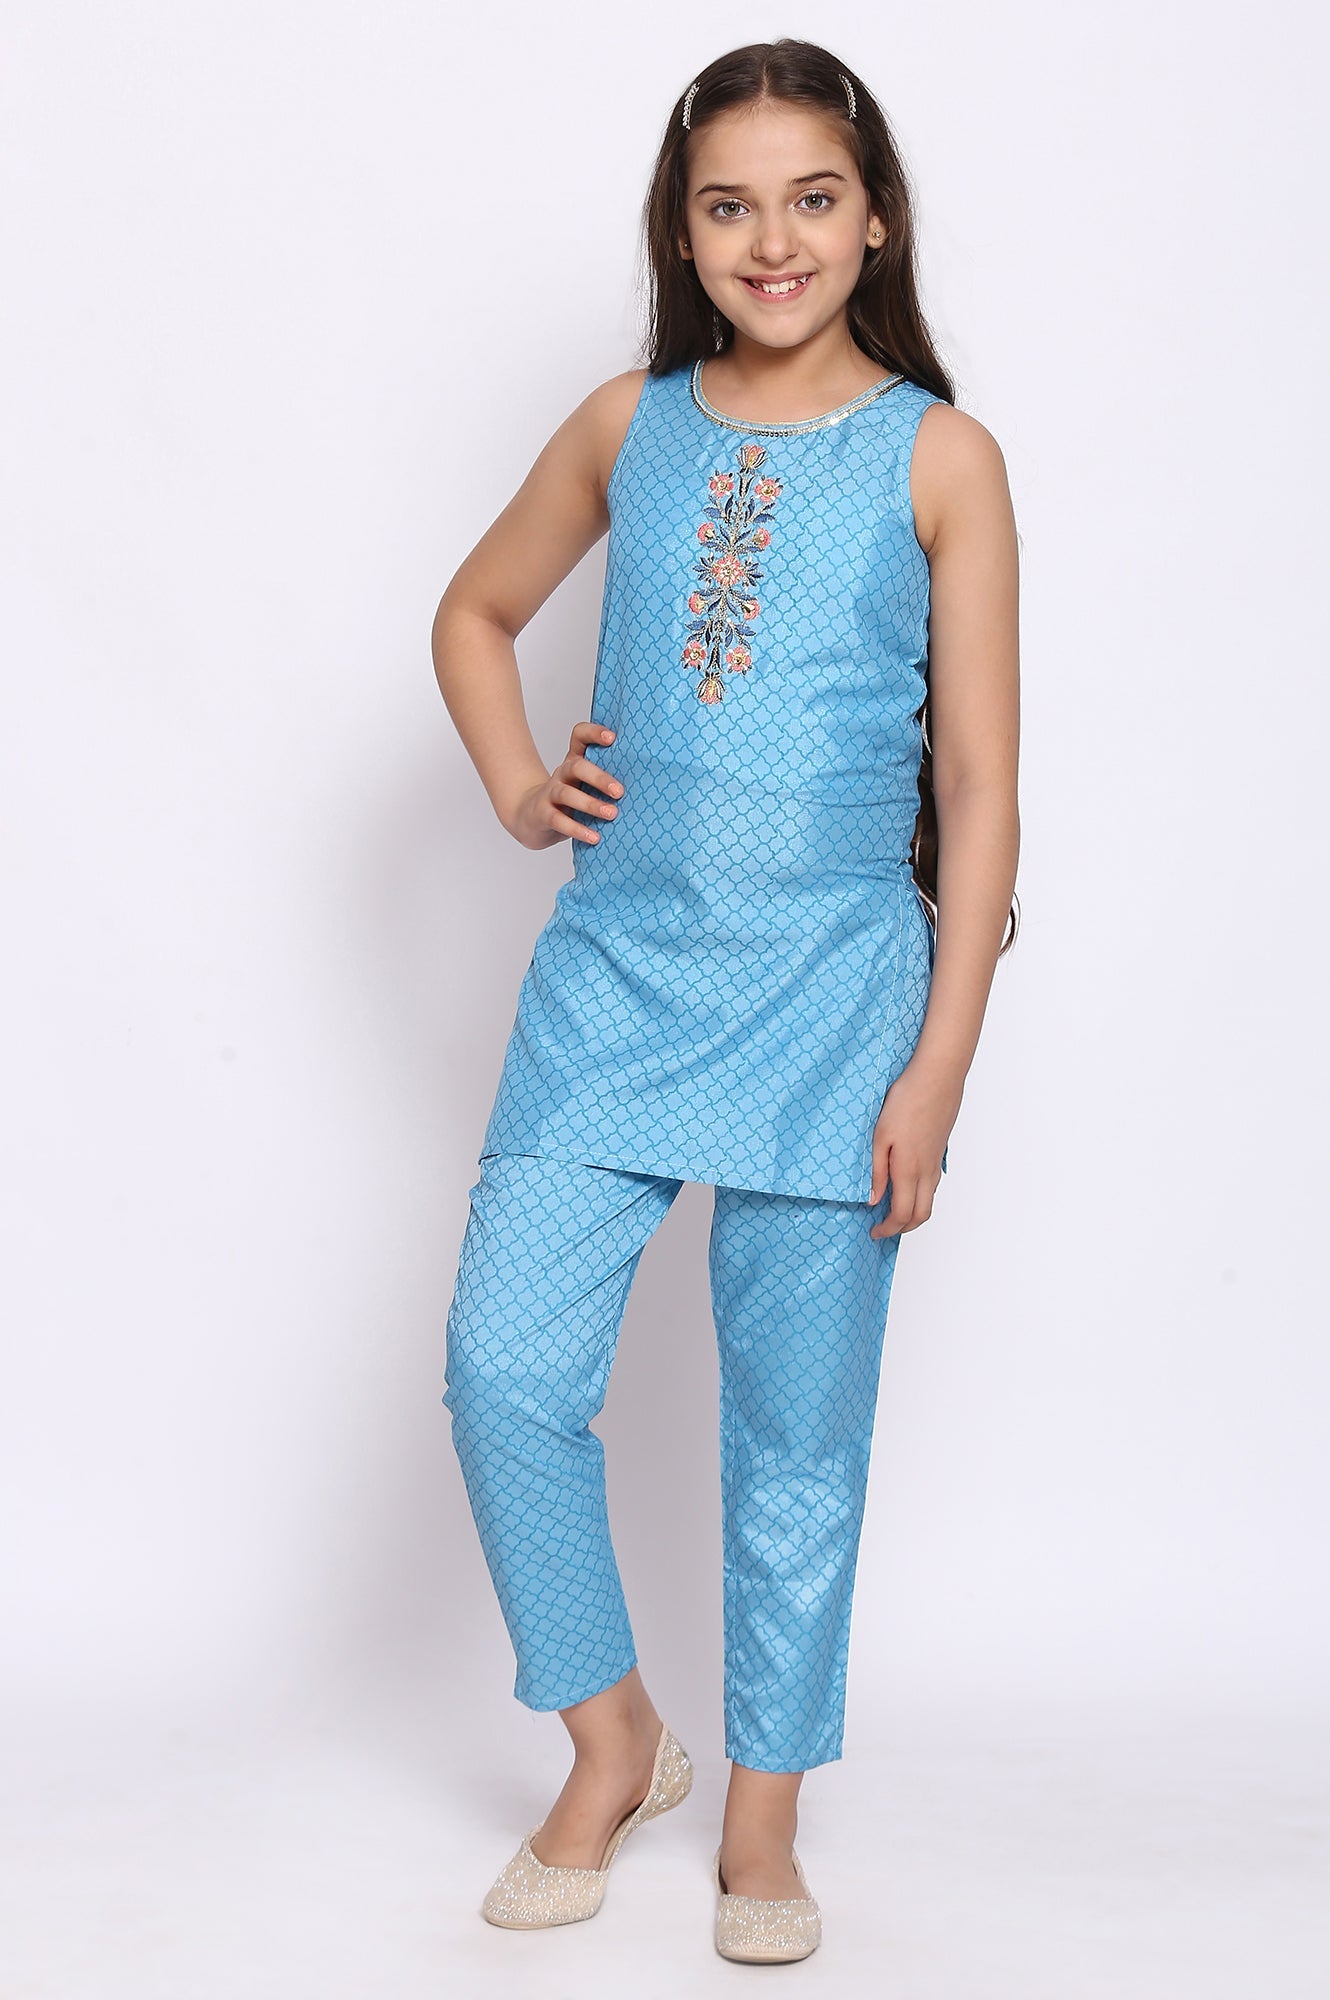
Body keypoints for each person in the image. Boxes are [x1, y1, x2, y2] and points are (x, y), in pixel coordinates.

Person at [430, 37, 1020, 1964]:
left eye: (812, 198)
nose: (774, 240)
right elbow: (473, 613)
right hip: (615, 979)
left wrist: (937, 1067)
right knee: (505, 1374)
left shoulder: (938, 457)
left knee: (793, 1434)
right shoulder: (629, 424)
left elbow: (977, 787)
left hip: (838, 1002)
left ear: (876, 217)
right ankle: (614, 1741)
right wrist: (520, 785)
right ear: (679, 234)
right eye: (729, 205)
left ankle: (762, 1821)